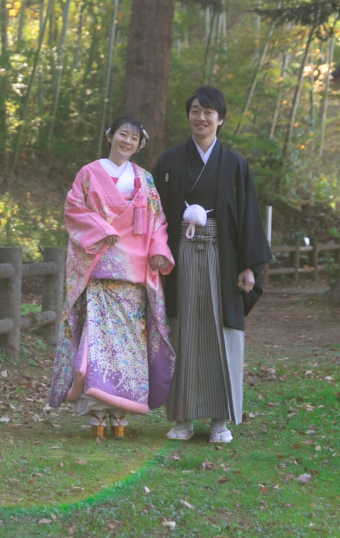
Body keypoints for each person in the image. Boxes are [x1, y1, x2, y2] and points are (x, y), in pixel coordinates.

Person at [153, 86, 271, 444]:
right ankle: (183, 418)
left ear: (220, 118)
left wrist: (250, 265)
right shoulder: (170, 162)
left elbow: (248, 216)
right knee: (183, 332)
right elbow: (153, 215)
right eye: (195, 111)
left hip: (223, 258)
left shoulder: (235, 165)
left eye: (208, 112)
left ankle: (220, 420)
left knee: (222, 335)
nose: (200, 117)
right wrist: (156, 252)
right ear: (188, 116)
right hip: (181, 257)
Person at [49, 116, 175, 438]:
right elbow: (73, 209)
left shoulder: (145, 180)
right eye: (122, 135)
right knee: (99, 344)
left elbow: (158, 221)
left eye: (134, 138)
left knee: (131, 345)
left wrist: (160, 248)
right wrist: (103, 229)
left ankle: (121, 414)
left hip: (133, 275)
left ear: (140, 144)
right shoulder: (89, 173)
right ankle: (96, 413)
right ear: (110, 136)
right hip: (101, 268)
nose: (127, 142)